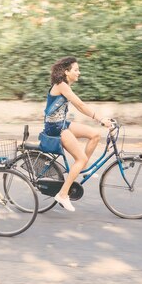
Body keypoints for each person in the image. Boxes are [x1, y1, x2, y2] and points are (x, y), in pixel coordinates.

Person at [43, 56, 113, 212]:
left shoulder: (65, 85)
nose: (79, 73)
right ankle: (62, 194)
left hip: (61, 123)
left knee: (95, 135)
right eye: (76, 70)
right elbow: (80, 105)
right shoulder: (61, 85)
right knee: (80, 157)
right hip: (55, 127)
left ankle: (81, 168)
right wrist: (100, 119)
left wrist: (99, 120)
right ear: (67, 72)